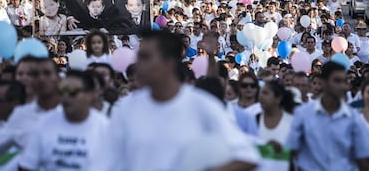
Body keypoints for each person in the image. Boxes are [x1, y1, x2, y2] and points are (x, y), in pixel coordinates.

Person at [108, 30, 261, 170]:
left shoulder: (202, 106)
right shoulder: (126, 108)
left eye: (146, 58)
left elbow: (247, 156)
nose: (138, 65)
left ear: (169, 63)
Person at [286, 61, 369, 171]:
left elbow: (364, 157)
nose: (342, 86)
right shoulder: (303, 114)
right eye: (337, 81)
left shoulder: (353, 117)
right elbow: (291, 151)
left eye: (344, 81)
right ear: (324, 82)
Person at [19, 70, 110, 171]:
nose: (66, 97)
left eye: (72, 92)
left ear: (90, 94)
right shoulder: (45, 123)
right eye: (62, 91)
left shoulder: (105, 128)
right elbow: (27, 166)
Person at [0, 58, 60, 162]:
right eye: (20, 74)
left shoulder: (62, 111)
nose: (24, 78)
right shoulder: (13, 113)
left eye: (30, 74)